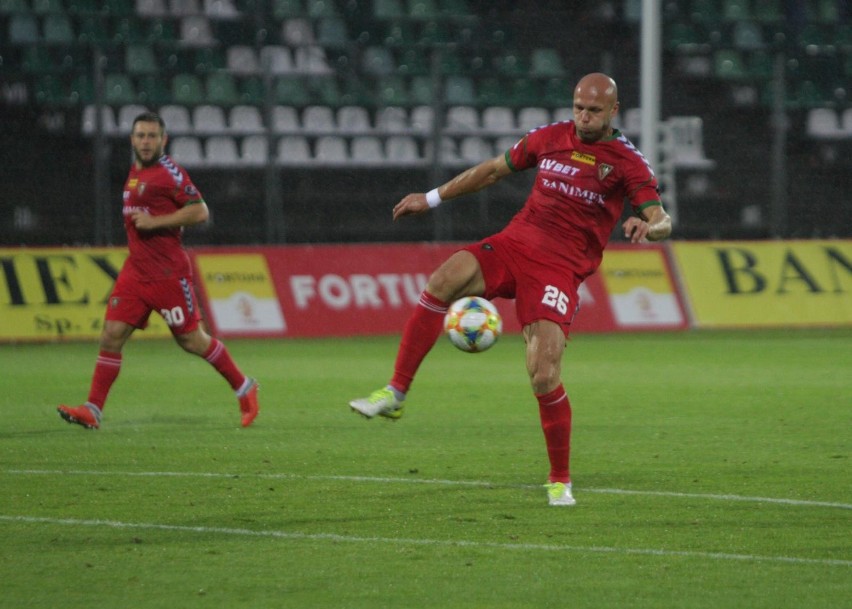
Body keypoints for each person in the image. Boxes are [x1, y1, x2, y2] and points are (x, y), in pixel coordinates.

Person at [349, 73, 671, 506]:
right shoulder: (550, 137)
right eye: (578, 107)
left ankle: (559, 479)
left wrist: (648, 228)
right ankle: (396, 392)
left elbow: (661, 218)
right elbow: (491, 171)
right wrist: (430, 198)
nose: (583, 116)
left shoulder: (627, 161)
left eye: (594, 110)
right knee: (443, 279)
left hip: (559, 268)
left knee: (543, 373)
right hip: (515, 243)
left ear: (614, 111)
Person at [58, 111, 260, 430]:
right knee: (111, 335)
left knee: (192, 340)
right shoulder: (135, 173)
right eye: (141, 136)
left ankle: (244, 387)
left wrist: (156, 222)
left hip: (167, 273)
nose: (146, 141)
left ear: (163, 140)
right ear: (132, 140)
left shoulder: (170, 173)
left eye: (152, 136)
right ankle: (92, 409)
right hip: (136, 272)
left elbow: (200, 211)